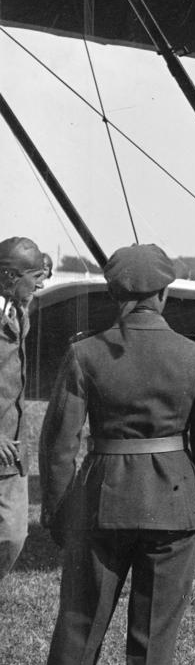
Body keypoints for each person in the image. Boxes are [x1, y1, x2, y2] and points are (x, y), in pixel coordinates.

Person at [30, 244, 195, 665]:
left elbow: (59, 444)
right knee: (153, 636)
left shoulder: (85, 354)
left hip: (100, 506)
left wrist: (57, 511)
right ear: (164, 294)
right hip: (173, 509)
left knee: (77, 624)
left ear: (114, 294)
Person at [1, 237, 51, 581]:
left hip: (13, 452)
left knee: (13, 538)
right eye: (34, 276)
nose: (42, 283)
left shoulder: (17, 311)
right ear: (8, 276)